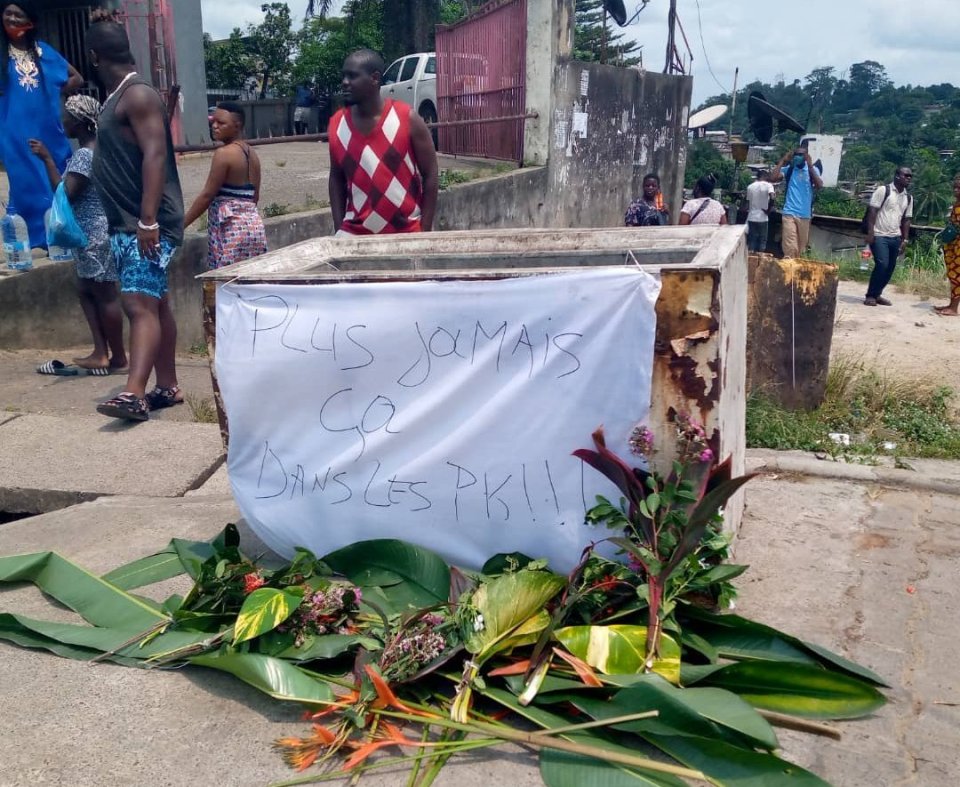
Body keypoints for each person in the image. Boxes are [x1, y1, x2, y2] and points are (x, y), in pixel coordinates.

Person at [86, 12, 185, 422]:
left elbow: (155, 154)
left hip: (145, 223)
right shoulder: (118, 95)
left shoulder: (138, 95)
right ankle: (168, 387)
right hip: (130, 222)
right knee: (156, 305)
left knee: (137, 303)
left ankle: (133, 394)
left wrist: (147, 220)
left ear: (95, 56)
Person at [29, 94, 126, 373]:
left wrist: (47, 159)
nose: (63, 121)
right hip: (99, 231)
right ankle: (101, 351)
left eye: (68, 117)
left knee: (104, 293)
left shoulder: (85, 155)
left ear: (82, 123)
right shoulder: (106, 150)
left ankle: (116, 357)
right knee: (86, 289)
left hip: (93, 234)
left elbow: (65, 195)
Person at [0, 0, 84, 248]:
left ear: (30, 21)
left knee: (58, 180)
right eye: (8, 14)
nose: (13, 20)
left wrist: (54, 91)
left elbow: (76, 77)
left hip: (50, 131)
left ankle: (66, 235)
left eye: (19, 15)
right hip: (14, 134)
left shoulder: (44, 52)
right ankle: (39, 241)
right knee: (26, 183)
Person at [328, 48, 438, 236]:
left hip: (406, 232)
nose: (345, 83)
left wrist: (424, 230)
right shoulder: (337, 124)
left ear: (375, 78)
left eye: (352, 76)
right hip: (354, 234)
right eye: (344, 76)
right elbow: (336, 178)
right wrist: (339, 228)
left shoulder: (407, 119)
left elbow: (431, 174)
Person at [183, 101, 266, 270]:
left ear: (237, 126)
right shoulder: (252, 155)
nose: (214, 126)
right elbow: (254, 197)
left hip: (230, 232)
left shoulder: (224, 154)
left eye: (221, 123)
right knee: (250, 284)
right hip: (254, 229)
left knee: (226, 286)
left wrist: (181, 225)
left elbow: (207, 195)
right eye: (213, 121)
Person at [863, 166, 913, 307]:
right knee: (882, 264)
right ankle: (870, 295)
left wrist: (905, 239)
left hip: (895, 236)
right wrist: (870, 232)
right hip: (879, 234)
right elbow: (872, 211)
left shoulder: (908, 197)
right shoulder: (883, 190)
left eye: (910, 176)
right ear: (897, 176)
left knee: (890, 267)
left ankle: (878, 294)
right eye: (906, 175)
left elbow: (907, 219)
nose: (908, 178)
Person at [769, 143, 823, 258]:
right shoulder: (789, 170)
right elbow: (773, 178)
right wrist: (783, 161)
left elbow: (819, 185)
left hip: (804, 215)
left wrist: (810, 166)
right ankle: (789, 268)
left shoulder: (812, 170)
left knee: (801, 249)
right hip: (789, 212)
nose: (798, 157)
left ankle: (795, 271)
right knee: (790, 248)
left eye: (801, 155)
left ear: (806, 156)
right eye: (796, 155)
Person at [935, 175, 960, 317]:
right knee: (953, 273)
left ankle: (954, 309)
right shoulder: (957, 203)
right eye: (954, 187)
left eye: (959, 188)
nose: (956, 190)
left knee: (957, 275)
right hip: (953, 243)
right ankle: (951, 305)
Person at [745, 170, 775, 253]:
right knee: (762, 240)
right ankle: (760, 259)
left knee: (752, 240)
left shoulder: (750, 187)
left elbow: (747, 203)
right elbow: (772, 197)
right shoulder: (769, 185)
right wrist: (768, 210)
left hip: (751, 217)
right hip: (763, 217)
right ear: (764, 176)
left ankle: (751, 260)